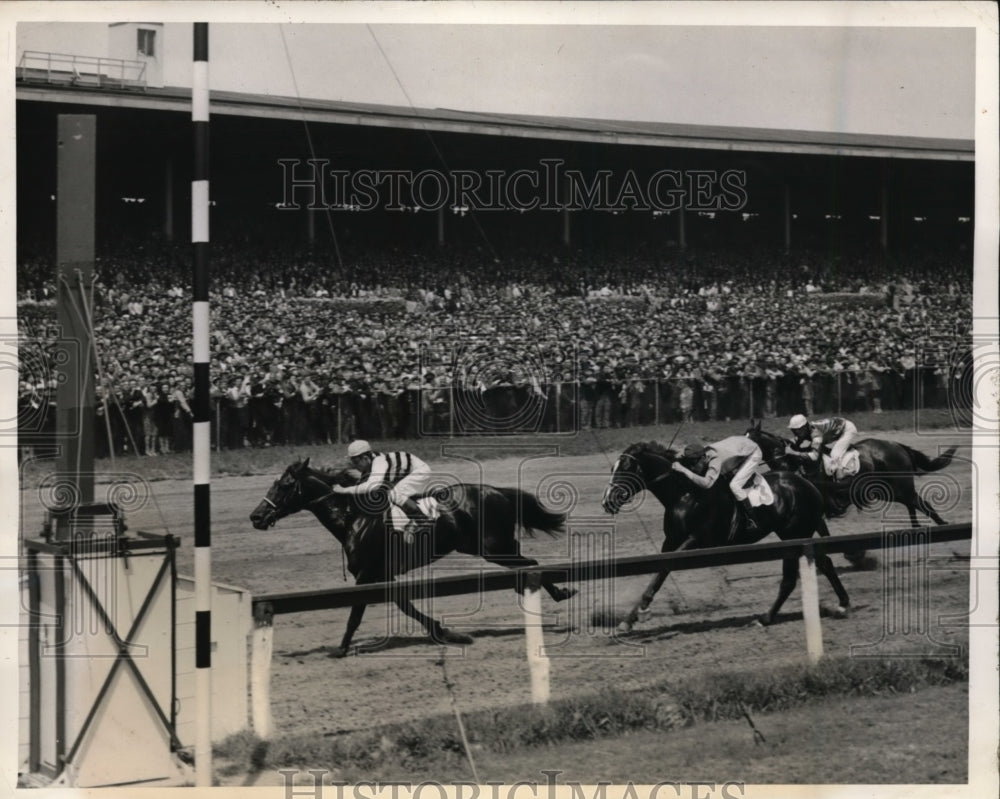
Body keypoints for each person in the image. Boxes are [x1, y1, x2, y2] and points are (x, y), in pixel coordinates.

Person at [331, 440, 432, 540]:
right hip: (407, 473)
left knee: (394, 494)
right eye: (352, 462)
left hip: (420, 471)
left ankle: (423, 520)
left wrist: (344, 490)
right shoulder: (371, 461)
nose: (355, 466)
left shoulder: (379, 463)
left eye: (356, 462)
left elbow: (370, 486)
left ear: (365, 458)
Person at [669, 435, 764, 542]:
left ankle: (751, 519)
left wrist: (684, 470)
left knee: (734, 485)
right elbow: (680, 454)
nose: (692, 467)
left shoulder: (715, 461)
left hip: (753, 452)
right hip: (739, 444)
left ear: (703, 458)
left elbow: (706, 484)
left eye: (694, 463)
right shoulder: (699, 451)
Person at [786, 414, 858, 479]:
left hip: (847, 429)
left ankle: (844, 473)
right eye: (793, 431)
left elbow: (815, 456)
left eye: (796, 431)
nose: (795, 434)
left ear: (804, 428)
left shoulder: (815, 434)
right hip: (837, 428)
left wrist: (793, 452)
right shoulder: (807, 429)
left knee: (834, 454)